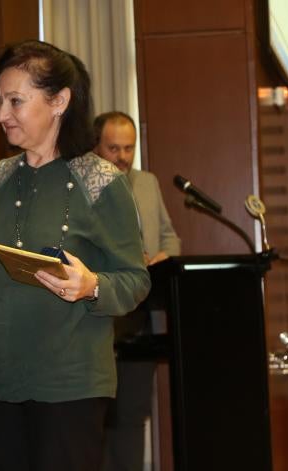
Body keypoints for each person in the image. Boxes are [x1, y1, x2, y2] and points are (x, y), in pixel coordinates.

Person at [0, 40, 151, 471]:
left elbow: (135, 279)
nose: (0, 114)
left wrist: (92, 286)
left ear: (59, 101)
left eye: (15, 101)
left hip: (69, 385)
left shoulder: (101, 180)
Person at [93, 111, 181, 471]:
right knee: (96, 419)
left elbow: (171, 237)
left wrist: (161, 257)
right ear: (95, 147)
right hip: (97, 319)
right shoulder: (77, 186)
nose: (123, 157)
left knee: (131, 415)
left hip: (141, 319)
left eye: (129, 148)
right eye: (114, 148)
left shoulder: (147, 183)